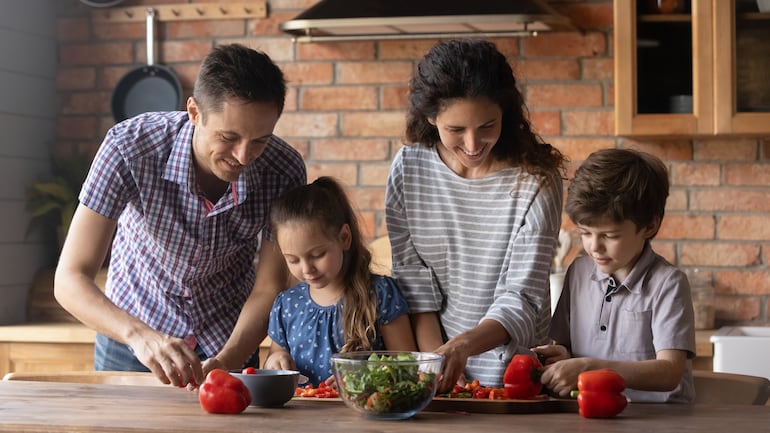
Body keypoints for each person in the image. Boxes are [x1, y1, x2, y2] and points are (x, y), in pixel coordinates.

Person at [54, 43, 306, 388]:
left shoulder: (284, 169)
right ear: (194, 112)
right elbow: (70, 277)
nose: (245, 156)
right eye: (228, 137)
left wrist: (227, 360)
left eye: (260, 140)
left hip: (230, 338)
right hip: (133, 336)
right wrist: (141, 336)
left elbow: (269, 286)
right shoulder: (129, 147)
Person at [385, 39, 566, 392]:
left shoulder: (535, 179)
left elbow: (523, 297)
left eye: (487, 126)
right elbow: (414, 285)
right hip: (440, 370)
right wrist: (438, 363)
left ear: (505, 113)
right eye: (456, 130)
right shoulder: (409, 169)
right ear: (431, 117)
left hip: (517, 379)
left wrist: (463, 347)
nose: (472, 144)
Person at [533, 148, 695, 403]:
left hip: (661, 421)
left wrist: (589, 368)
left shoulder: (668, 284)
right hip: (592, 415)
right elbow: (568, 349)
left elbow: (669, 372)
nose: (594, 246)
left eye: (609, 236)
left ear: (650, 226)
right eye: (585, 233)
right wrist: (561, 358)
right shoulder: (578, 272)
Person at [264, 177, 417, 386]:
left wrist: (366, 379)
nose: (307, 269)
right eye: (293, 260)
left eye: (317, 254)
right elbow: (276, 355)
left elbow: (407, 365)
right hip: (301, 415)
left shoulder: (380, 293)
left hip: (364, 412)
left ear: (344, 237)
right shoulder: (287, 304)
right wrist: (275, 360)